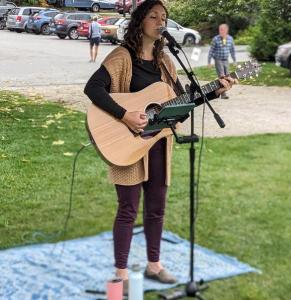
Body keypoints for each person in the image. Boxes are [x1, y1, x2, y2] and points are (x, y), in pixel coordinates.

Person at [84, 0, 234, 294]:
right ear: (140, 21)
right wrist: (124, 114)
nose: (160, 21)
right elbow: (93, 88)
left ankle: (154, 265)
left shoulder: (166, 62)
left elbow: (184, 99)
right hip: (127, 141)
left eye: (164, 17)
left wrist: (214, 91)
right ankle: (121, 272)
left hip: (158, 142)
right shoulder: (122, 56)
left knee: (157, 207)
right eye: (153, 16)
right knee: (128, 208)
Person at [208, 24, 236, 99]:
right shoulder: (216, 39)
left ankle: (224, 89)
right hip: (218, 59)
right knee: (221, 76)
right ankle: (223, 94)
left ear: (226, 30)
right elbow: (211, 51)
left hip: (226, 60)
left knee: (227, 75)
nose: (221, 31)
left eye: (222, 29)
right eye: (220, 29)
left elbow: (232, 50)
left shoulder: (230, 39)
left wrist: (234, 60)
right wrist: (209, 62)